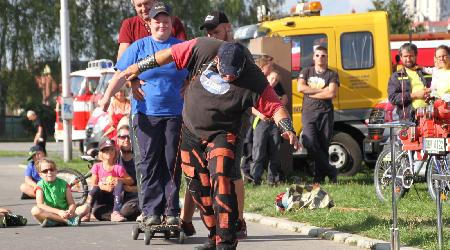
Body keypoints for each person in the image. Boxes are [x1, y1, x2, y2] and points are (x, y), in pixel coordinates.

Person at [99, 38, 300, 250]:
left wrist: (287, 129)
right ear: (217, 59)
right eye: (224, 71)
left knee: (221, 180)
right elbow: (167, 54)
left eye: (233, 73)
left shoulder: (254, 78)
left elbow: (276, 107)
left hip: (223, 134)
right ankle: (214, 236)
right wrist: (137, 67)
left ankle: (226, 242)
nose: (228, 76)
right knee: (198, 188)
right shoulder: (203, 48)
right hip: (191, 131)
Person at [113, 2, 188, 227]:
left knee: (171, 161)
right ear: (150, 23)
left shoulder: (180, 46)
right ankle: (151, 210)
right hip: (145, 113)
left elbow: (196, 69)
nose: (162, 24)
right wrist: (129, 83)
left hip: (175, 113)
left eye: (166, 21)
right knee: (149, 162)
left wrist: (189, 83)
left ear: (172, 24)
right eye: (157, 21)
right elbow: (122, 70)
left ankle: (171, 210)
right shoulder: (137, 43)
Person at [178, 10, 248, 239]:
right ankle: (186, 220)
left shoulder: (240, 54)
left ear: (228, 28)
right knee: (197, 176)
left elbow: (254, 89)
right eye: (208, 32)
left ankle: (236, 222)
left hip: (228, 125)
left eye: (215, 31)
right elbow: (190, 78)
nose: (211, 35)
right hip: (199, 123)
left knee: (228, 175)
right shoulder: (205, 51)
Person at [297, 46, 340, 184]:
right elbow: (300, 88)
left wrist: (310, 93)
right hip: (309, 113)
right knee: (309, 142)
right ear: (313, 57)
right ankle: (331, 170)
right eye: (318, 55)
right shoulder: (306, 71)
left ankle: (319, 177)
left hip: (326, 113)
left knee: (323, 145)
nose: (320, 58)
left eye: (323, 55)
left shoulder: (332, 74)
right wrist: (322, 91)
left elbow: (332, 93)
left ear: (327, 58)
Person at [250, 70, 288, 186]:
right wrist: (260, 114)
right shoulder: (259, 85)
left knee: (275, 151)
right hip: (261, 122)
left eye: (276, 80)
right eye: (272, 78)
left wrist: (279, 104)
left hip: (274, 123)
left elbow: (285, 99)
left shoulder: (278, 87)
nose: (274, 81)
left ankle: (272, 180)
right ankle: (254, 179)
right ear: (267, 77)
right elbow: (250, 105)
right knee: (258, 151)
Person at [84, 137, 134, 222]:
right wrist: (102, 186)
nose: (109, 152)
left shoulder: (118, 168)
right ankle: (86, 212)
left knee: (120, 183)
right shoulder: (97, 166)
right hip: (101, 198)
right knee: (95, 190)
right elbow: (93, 184)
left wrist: (119, 179)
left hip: (113, 197)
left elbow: (130, 180)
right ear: (101, 153)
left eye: (111, 150)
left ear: (115, 152)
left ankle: (115, 212)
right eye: (106, 150)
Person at [117, 0, 187, 60]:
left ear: (155, 1)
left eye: (146, 3)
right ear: (134, 7)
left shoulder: (174, 22)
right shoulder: (129, 24)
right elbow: (123, 58)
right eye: (139, 5)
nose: (143, 8)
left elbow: (184, 52)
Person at [30, 158, 90, 227]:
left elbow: (72, 203)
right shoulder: (40, 185)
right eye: (45, 171)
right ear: (40, 174)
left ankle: (55, 222)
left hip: (65, 213)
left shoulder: (64, 184)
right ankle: (66, 221)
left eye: (51, 169)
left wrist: (70, 211)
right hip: (50, 214)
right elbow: (40, 205)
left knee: (86, 207)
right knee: (35, 210)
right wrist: (58, 212)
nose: (49, 172)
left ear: (56, 171)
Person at [388, 43, 430, 122]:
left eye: (411, 56)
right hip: (409, 119)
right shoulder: (396, 76)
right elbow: (392, 98)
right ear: (401, 57)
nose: (408, 59)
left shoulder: (426, 72)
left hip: (430, 117)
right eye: (405, 56)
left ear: (416, 56)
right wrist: (414, 95)